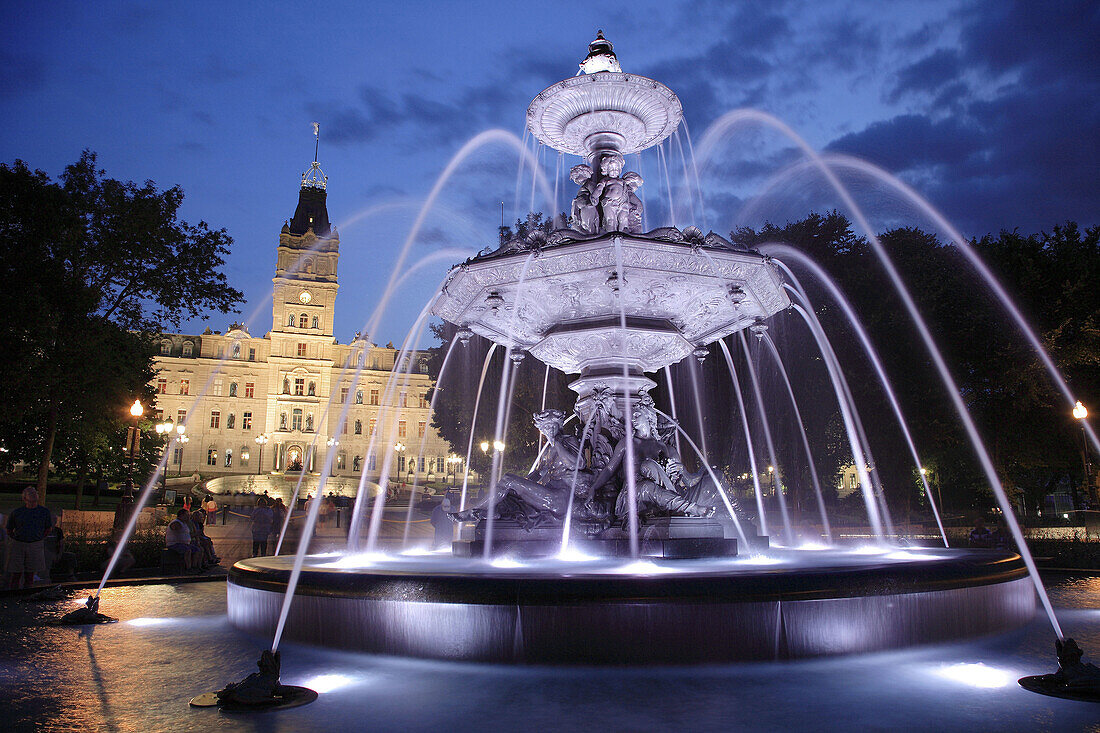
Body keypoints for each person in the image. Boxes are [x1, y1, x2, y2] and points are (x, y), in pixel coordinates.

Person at [6, 488, 54, 589]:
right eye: (30, 501)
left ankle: (27, 591)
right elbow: (9, 529)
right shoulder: (17, 512)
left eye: (34, 501)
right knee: (16, 572)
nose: (32, 504)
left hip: (35, 543)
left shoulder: (43, 512)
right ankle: (14, 592)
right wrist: (15, 538)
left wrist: (39, 537)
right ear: (25, 499)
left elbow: (48, 528)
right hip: (19, 543)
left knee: (30, 573)